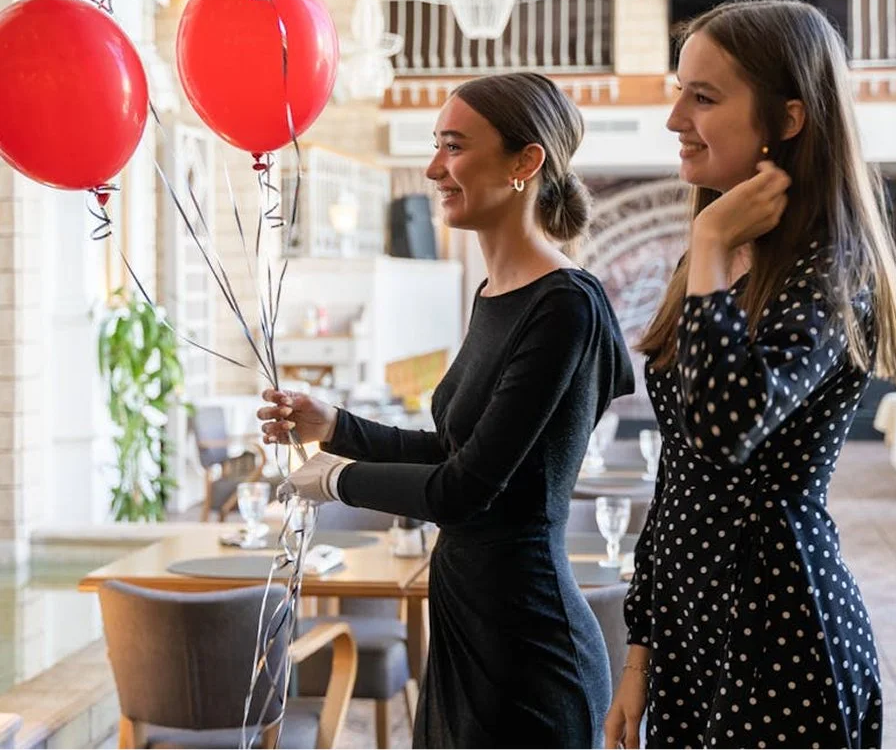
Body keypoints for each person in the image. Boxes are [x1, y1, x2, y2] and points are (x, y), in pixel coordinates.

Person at [259, 72, 634, 748]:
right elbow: (452, 447)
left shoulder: (565, 305)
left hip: (531, 645)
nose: (434, 168)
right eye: (436, 146)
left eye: (454, 146)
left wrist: (335, 477)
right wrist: (336, 425)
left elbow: (465, 489)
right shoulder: (495, 291)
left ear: (526, 162)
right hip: (468, 622)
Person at [604, 0, 896, 750]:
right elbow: (680, 474)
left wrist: (707, 243)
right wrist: (640, 648)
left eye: (702, 97)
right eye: (679, 91)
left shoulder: (832, 266)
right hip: (691, 639)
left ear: (788, 118)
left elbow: (726, 428)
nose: (675, 118)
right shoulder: (709, 258)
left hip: (783, 640)